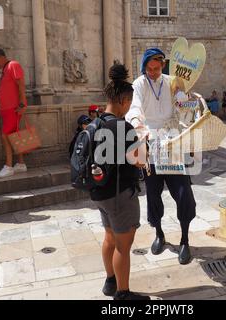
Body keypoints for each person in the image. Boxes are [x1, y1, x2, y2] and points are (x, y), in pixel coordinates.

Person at [126, 48, 197, 265]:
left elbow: (185, 109)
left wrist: (189, 100)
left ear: (163, 65)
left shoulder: (173, 81)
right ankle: (159, 233)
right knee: (153, 195)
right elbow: (134, 106)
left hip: (173, 142)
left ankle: (185, 239)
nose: (153, 72)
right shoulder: (138, 84)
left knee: (183, 193)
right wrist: (137, 124)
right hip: (150, 143)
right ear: (144, 66)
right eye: (149, 69)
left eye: (157, 69)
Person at [91, 62, 149, 300]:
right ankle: (123, 294)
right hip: (121, 194)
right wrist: (142, 137)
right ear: (125, 101)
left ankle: (110, 281)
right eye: (129, 103)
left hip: (101, 192)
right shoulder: (123, 126)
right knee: (123, 246)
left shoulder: (95, 123)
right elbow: (139, 161)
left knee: (108, 238)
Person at [0, 48, 28, 178]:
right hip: (7, 109)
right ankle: (21, 164)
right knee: (14, 135)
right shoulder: (5, 69)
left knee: (6, 136)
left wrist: (22, 103)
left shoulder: (13, 65)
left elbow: (21, 84)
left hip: (13, 108)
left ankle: (8, 166)